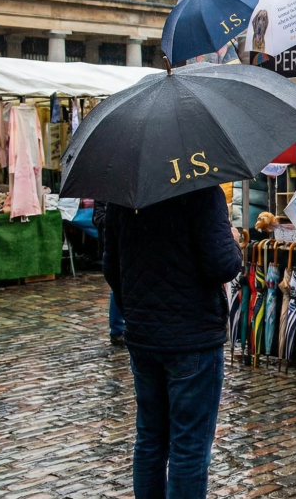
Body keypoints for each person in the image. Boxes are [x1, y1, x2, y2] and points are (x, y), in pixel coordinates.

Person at [103, 186, 242, 499]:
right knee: (189, 447)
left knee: (150, 439)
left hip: (144, 337)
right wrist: (235, 242)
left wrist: (136, 312)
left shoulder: (124, 196)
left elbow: (112, 268)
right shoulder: (202, 191)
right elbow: (222, 265)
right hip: (192, 338)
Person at [93, 201, 124, 346]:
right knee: (116, 286)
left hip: (129, 245)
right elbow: (98, 218)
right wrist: (117, 219)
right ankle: (117, 331)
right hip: (115, 246)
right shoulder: (105, 193)